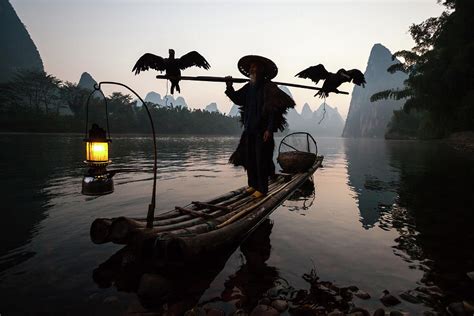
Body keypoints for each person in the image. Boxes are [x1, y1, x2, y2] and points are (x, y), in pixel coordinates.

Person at [225, 55, 295, 198]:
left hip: (262, 131)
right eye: (251, 68)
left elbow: (273, 110)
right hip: (249, 130)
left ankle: (262, 189)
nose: (253, 70)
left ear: (262, 70)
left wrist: (269, 129)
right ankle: (253, 185)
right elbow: (237, 99)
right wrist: (229, 86)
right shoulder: (248, 87)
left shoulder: (269, 87)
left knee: (261, 161)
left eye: (255, 68)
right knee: (250, 159)